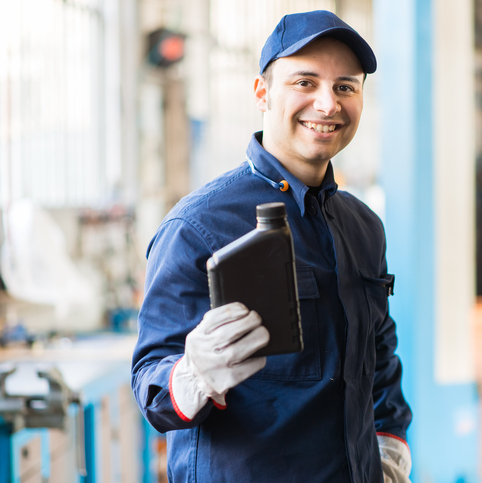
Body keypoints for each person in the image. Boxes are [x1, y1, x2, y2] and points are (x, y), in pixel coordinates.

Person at [131, 10, 413, 483]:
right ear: (262, 92)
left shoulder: (363, 226)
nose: (327, 104)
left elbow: (379, 358)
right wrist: (192, 373)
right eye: (305, 82)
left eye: (346, 86)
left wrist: (387, 452)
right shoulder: (199, 226)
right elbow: (151, 388)